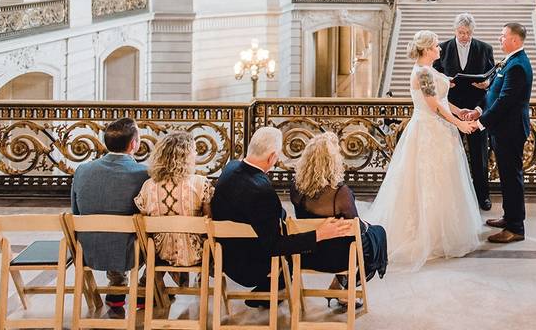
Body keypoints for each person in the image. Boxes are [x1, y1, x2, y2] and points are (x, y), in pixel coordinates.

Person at [366, 30, 482, 270]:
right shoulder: (422, 73)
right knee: (427, 181)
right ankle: (428, 235)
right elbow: (433, 105)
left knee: (444, 182)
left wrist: (459, 110)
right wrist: (459, 123)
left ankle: (442, 232)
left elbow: (440, 100)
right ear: (427, 49)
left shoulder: (428, 71)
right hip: (428, 130)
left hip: (438, 130)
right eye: (437, 46)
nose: (440, 49)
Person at [211, 127, 350, 307]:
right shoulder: (261, 192)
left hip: (224, 257)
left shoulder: (230, 168)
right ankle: (271, 287)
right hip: (251, 267)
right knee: (289, 248)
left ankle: (270, 291)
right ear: (272, 157)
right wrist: (319, 234)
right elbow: (275, 245)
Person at [290, 133, 387, 306]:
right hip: (337, 258)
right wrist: (366, 226)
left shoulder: (296, 189)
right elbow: (355, 228)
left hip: (307, 252)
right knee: (376, 234)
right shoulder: (340, 194)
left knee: (353, 238)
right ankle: (343, 287)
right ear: (333, 162)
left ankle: (339, 285)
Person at [462, 22, 534, 243]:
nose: (500, 39)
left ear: (514, 39)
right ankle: (509, 217)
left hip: (510, 131)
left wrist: (480, 123)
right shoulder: (510, 61)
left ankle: (515, 228)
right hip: (502, 130)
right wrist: (477, 111)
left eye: (503, 36)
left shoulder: (518, 66)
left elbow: (505, 102)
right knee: (506, 177)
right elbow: (494, 92)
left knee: (512, 179)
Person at [71, 117, 150, 309]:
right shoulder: (143, 173)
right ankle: (144, 288)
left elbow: (76, 211)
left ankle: (116, 284)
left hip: (88, 251)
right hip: (131, 254)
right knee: (153, 227)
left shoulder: (82, 170)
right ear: (134, 144)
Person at [433, 13, 496, 210]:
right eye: (461, 33)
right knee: (451, 155)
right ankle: (455, 199)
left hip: (477, 109)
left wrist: (486, 84)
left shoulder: (485, 48)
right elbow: (434, 75)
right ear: (455, 31)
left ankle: (482, 197)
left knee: (480, 157)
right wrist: (446, 84)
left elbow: (493, 77)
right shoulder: (442, 49)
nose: (464, 37)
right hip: (451, 111)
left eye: (468, 33)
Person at [134, 131, 214, 273]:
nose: (196, 155)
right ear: (187, 157)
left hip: (159, 253)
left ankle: (152, 282)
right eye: (194, 151)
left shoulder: (148, 185)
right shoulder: (201, 183)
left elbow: (145, 220)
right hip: (197, 253)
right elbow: (209, 221)